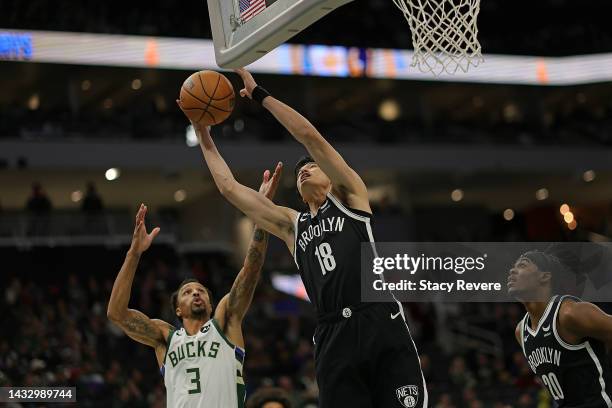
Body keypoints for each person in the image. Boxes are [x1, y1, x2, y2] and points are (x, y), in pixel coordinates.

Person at [177, 68, 427, 408]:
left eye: (311, 167)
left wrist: (262, 96)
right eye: (298, 173)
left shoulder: (351, 198)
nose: (304, 170)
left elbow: (310, 137)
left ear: (332, 176)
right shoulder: (293, 225)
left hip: (379, 319)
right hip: (332, 332)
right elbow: (228, 188)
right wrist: (202, 132)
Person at [107, 166, 281, 408]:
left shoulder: (225, 322)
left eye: (200, 291)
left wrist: (262, 214)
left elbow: (251, 269)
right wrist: (134, 254)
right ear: (178, 309)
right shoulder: (165, 338)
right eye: (187, 293)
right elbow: (116, 314)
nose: (196, 293)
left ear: (210, 304)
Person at [509, 248, 612, 407]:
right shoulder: (520, 332)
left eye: (522, 265)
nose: (512, 270)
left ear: (544, 276)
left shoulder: (569, 313)